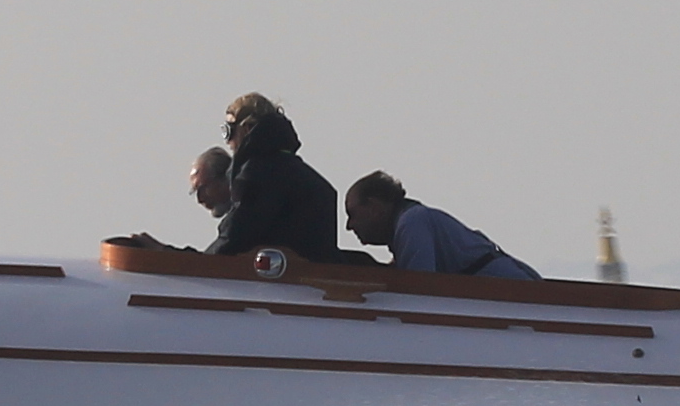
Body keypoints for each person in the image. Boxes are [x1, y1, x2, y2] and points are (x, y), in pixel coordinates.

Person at [209, 93, 341, 262]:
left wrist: (193, 263)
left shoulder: (258, 175)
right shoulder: (310, 180)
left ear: (247, 128)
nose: (228, 142)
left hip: (277, 283)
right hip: (314, 282)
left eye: (228, 131)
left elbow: (234, 238)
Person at [343, 170, 540, 280]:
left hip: (516, 297)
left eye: (352, 214)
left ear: (375, 207)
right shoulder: (414, 222)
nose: (349, 226)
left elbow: (419, 289)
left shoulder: (412, 223)